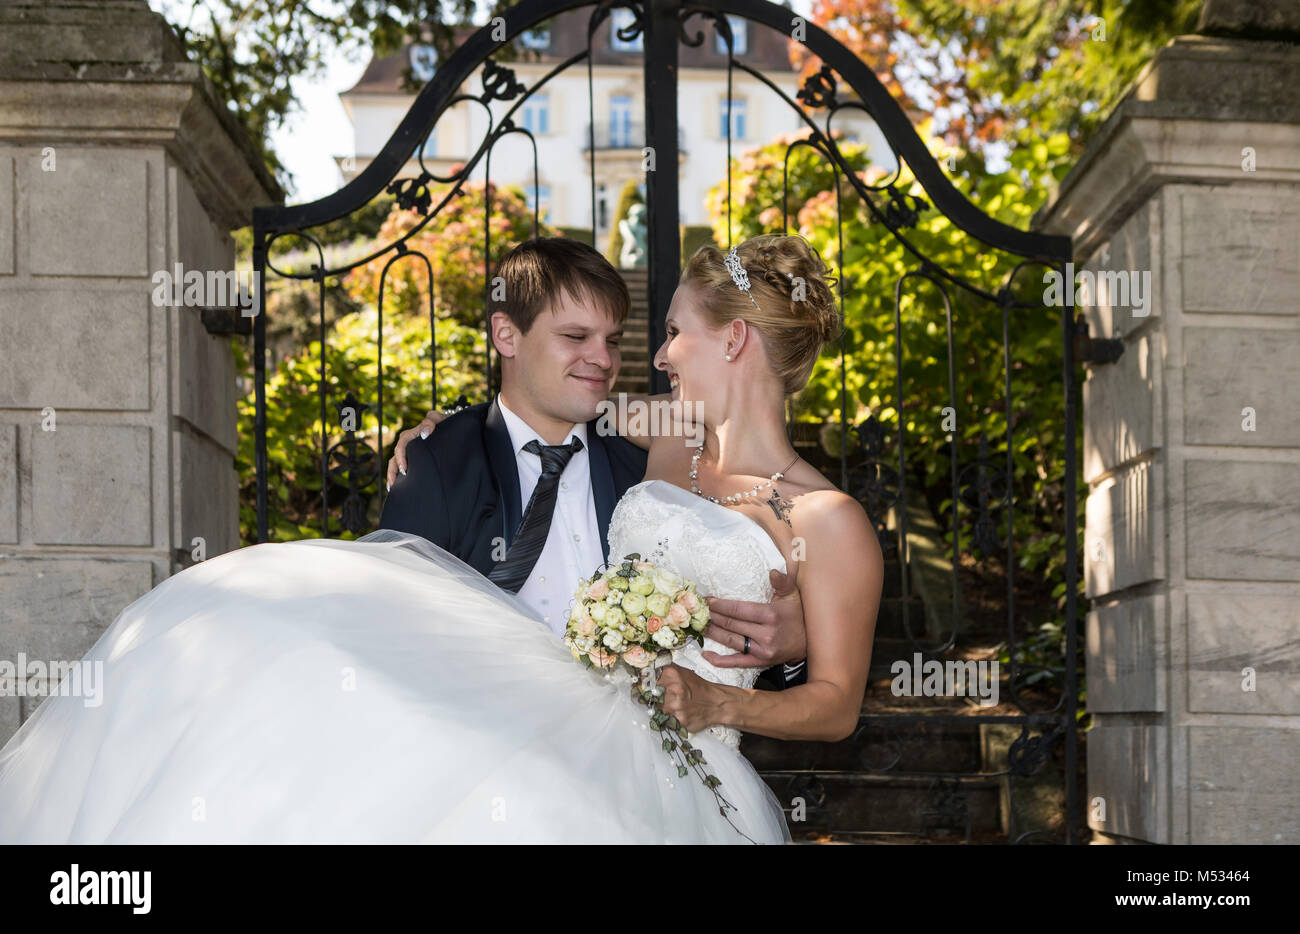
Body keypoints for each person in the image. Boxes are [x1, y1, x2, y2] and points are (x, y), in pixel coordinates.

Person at [0, 235, 880, 844]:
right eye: (598, 339)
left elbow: (836, 704)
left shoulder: (827, 521)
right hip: (545, 712)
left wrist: (773, 656)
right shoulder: (666, 447)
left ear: (733, 341)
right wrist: (442, 432)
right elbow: (553, 408)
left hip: (684, 768)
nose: (651, 355)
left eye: (675, 332)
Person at [381, 237, 810, 689]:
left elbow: (721, 640)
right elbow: (391, 639)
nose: (604, 360)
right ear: (506, 335)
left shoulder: (655, 468)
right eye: (575, 336)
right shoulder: (439, 463)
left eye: (613, 339)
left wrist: (791, 650)